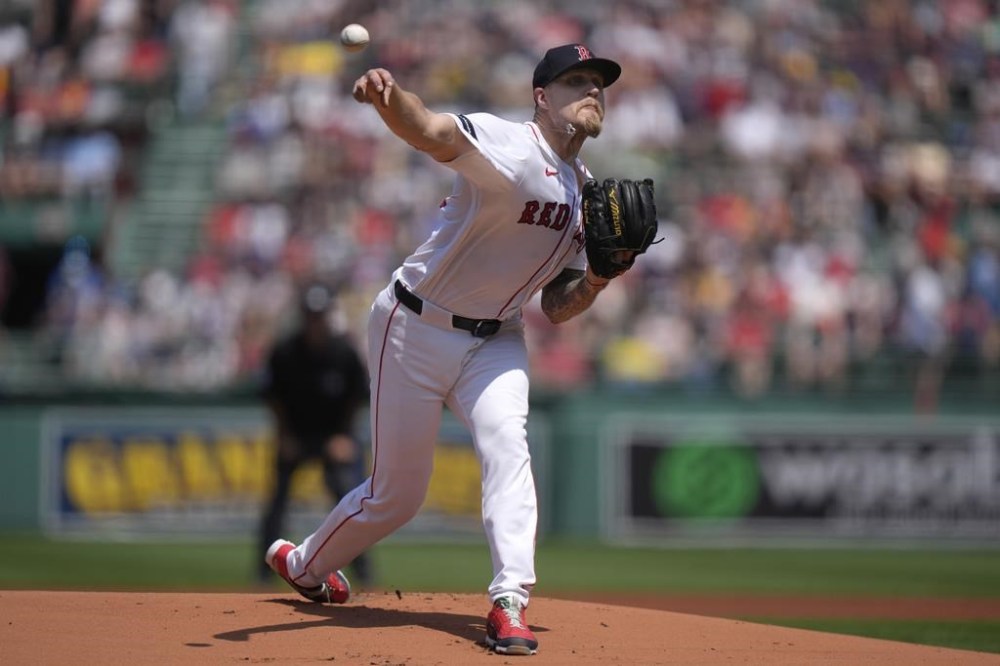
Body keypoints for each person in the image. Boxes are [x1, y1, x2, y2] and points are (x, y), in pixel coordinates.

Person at [265, 43, 631, 656]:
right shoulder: (510, 145)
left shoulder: (584, 194)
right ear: (542, 96)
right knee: (397, 496)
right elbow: (430, 129)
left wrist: (597, 278)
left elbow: (556, 307)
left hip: (497, 338)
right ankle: (302, 564)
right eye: (577, 80)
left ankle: (510, 601)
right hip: (414, 326)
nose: (592, 90)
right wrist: (389, 100)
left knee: (508, 443)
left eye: (598, 82)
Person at [258, 282, 373, 590]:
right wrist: (284, 436)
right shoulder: (285, 351)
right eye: (310, 316)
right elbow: (273, 397)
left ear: (327, 317)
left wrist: (345, 436)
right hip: (296, 435)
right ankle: (261, 573)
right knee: (277, 500)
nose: (315, 322)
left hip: (333, 437)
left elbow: (357, 397)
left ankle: (364, 570)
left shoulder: (344, 352)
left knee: (349, 495)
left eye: (319, 316)